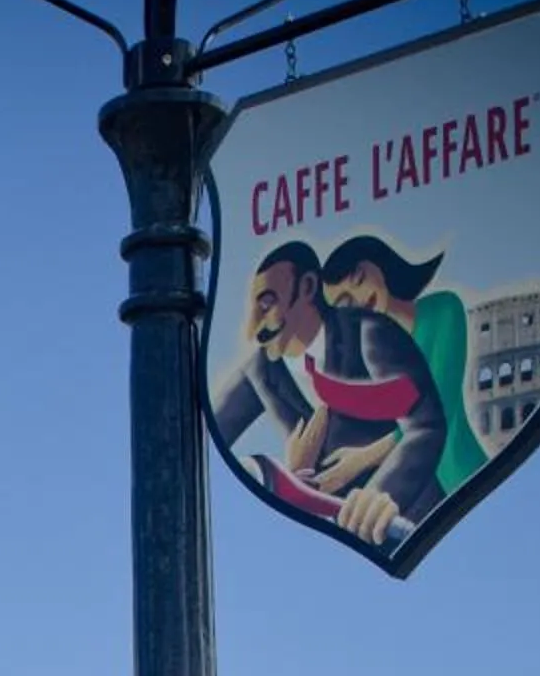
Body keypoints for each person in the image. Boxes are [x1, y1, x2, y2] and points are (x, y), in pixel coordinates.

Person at [208, 239, 448, 551]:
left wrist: (380, 495)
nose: (254, 327)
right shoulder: (260, 371)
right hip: (333, 555)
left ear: (307, 287)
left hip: (415, 527)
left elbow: (425, 425)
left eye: (267, 303)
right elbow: (202, 440)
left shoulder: (368, 333)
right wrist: (286, 475)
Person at [319, 232, 488, 497]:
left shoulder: (443, 309)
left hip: (462, 477)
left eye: (359, 281)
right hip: (413, 497)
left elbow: (440, 408)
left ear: (381, 263)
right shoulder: (370, 357)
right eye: (346, 302)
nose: (361, 299)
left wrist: (364, 458)